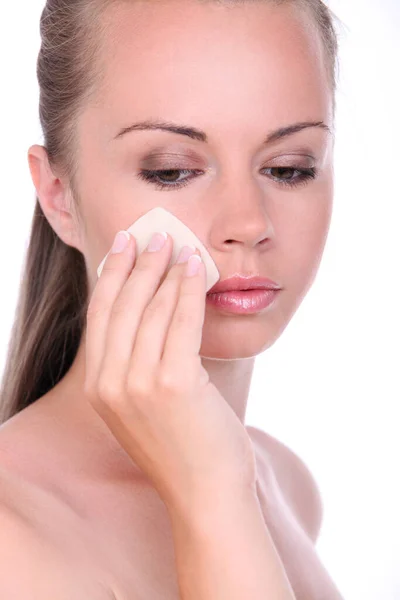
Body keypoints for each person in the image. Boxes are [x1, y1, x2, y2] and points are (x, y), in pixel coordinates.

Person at [0, 0, 345, 597]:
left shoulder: (284, 483)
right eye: (170, 171)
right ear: (58, 195)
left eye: (289, 168)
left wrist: (220, 488)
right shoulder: (12, 540)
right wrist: (211, 495)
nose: (247, 222)